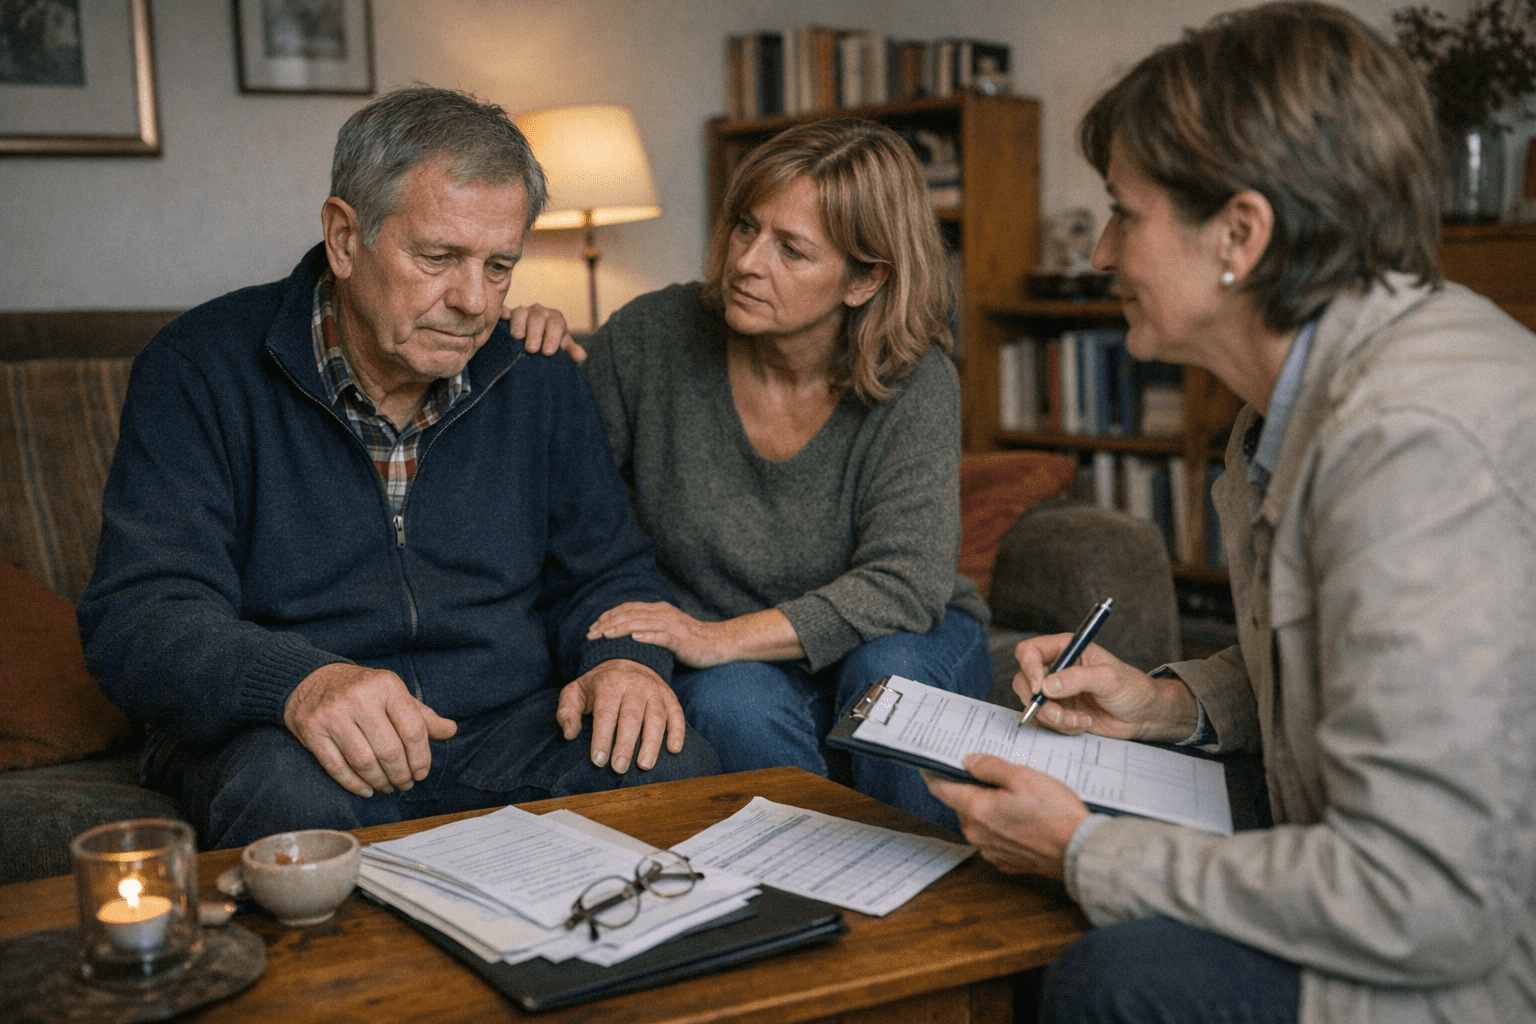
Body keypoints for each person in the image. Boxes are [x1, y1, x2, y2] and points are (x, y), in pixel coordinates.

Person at [925, 4, 1536, 1022]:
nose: (1103, 253)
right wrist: (1161, 704)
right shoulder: (1283, 407)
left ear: (1239, 236)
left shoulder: (1414, 445)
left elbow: (1431, 898)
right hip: (1372, 850)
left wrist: (1085, 849)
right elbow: (1336, 668)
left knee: (1111, 979)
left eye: (1125, 212)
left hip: (1478, 950)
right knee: (1062, 817)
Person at [77, 86, 719, 852]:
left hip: (499, 730)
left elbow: (608, 574)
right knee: (283, 799)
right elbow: (140, 615)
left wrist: (624, 663)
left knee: (667, 761)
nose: (474, 302)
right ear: (345, 238)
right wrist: (299, 682)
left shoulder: (538, 376)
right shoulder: (197, 370)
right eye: (439, 258)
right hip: (293, 741)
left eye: (499, 266)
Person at [563, 117, 994, 831]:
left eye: (791, 250)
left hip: (900, 637)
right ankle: (816, 910)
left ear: (865, 280)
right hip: (742, 665)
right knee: (732, 704)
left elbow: (905, 587)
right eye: (744, 228)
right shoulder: (649, 338)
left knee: (887, 681)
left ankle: (949, 910)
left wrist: (715, 638)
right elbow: (565, 500)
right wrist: (528, 350)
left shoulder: (916, 381)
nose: (747, 262)